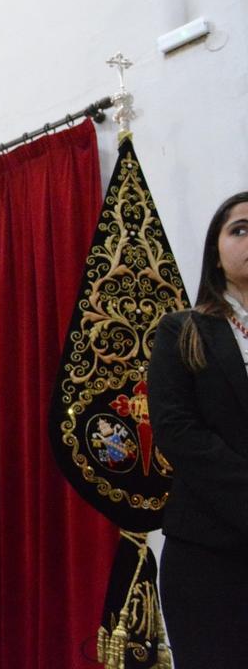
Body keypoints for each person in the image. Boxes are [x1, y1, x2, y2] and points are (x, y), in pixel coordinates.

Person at [149, 190, 248, 668]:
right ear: (215, 250)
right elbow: (177, 431)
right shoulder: (181, 330)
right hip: (209, 551)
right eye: (241, 228)